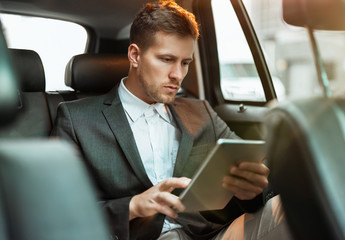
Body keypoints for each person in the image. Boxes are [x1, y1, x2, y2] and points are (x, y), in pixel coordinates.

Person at [51, 1, 292, 239]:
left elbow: (246, 166)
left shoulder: (200, 111)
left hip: (209, 235)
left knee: (289, 206)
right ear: (135, 55)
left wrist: (251, 189)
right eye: (166, 59)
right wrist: (133, 206)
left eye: (185, 63)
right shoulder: (76, 119)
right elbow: (58, 212)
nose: (178, 75)